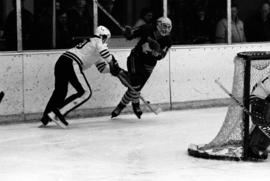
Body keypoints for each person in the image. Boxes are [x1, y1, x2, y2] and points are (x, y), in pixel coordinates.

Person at [40, 26, 121, 128]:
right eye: (106, 38)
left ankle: (45, 119)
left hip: (62, 60)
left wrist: (112, 69)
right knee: (85, 92)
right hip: (71, 62)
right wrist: (112, 62)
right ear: (102, 36)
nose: (106, 41)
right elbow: (105, 53)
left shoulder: (92, 47)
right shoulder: (97, 40)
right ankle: (57, 114)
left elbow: (102, 68)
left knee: (60, 92)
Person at [111, 17, 172, 119]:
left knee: (135, 87)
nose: (165, 29)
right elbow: (131, 35)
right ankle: (135, 104)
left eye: (168, 27)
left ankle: (120, 107)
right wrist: (128, 33)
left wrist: (157, 53)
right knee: (136, 81)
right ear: (157, 25)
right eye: (163, 26)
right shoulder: (147, 28)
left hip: (149, 66)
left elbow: (161, 56)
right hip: (136, 58)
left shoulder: (168, 40)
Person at [248, 75, 270, 159]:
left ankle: (261, 147)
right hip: (259, 100)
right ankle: (253, 147)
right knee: (264, 122)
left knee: (265, 123)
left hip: (262, 100)